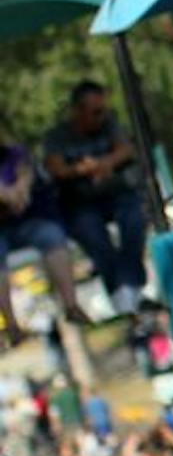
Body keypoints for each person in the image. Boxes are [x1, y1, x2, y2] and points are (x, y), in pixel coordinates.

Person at [41, 81, 146, 312]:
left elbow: (126, 149)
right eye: (95, 111)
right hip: (80, 203)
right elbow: (54, 167)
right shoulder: (58, 136)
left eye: (103, 110)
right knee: (95, 238)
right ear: (78, 110)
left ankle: (133, 288)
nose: (101, 116)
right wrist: (83, 169)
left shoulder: (108, 125)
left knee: (135, 220)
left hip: (116, 195)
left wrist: (104, 163)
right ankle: (122, 295)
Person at [0, 124, 87, 326]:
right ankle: (12, 326)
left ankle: (71, 306)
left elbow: (25, 179)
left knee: (52, 235)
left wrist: (16, 193)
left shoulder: (16, 154)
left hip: (24, 221)